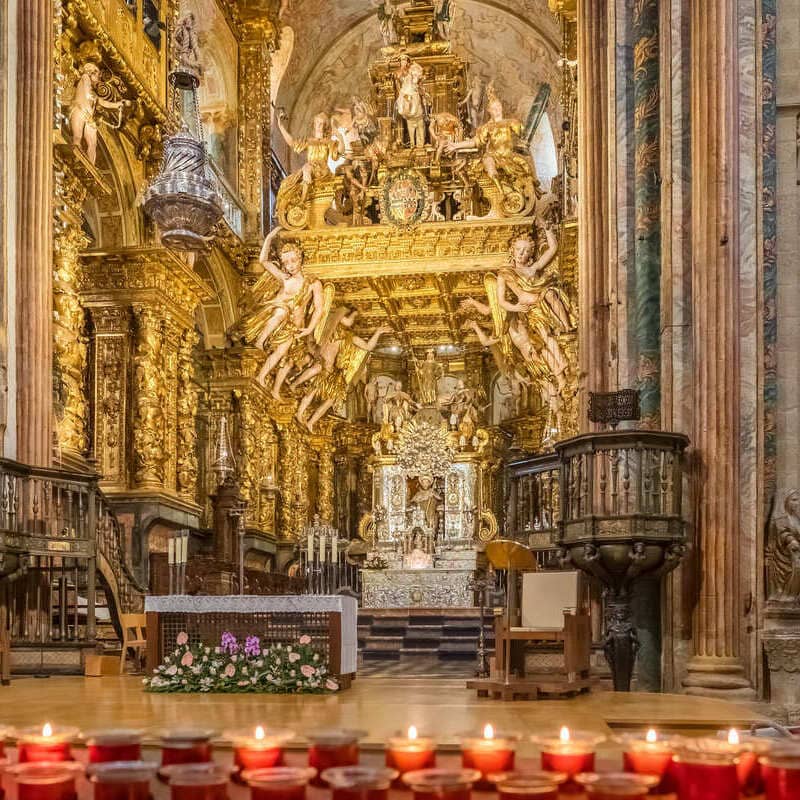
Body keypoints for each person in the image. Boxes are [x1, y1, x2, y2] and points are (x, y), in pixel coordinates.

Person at [69, 63, 128, 165]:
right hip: (79, 110)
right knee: (77, 137)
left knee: (92, 143)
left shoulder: (93, 93)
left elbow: (103, 102)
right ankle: (76, 158)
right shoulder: (85, 78)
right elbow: (88, 94)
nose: (98, 76)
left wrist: (117, 104)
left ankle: (91, 165)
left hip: (89, 117)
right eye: (96, 73)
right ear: (90, 72)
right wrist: (96, 97)